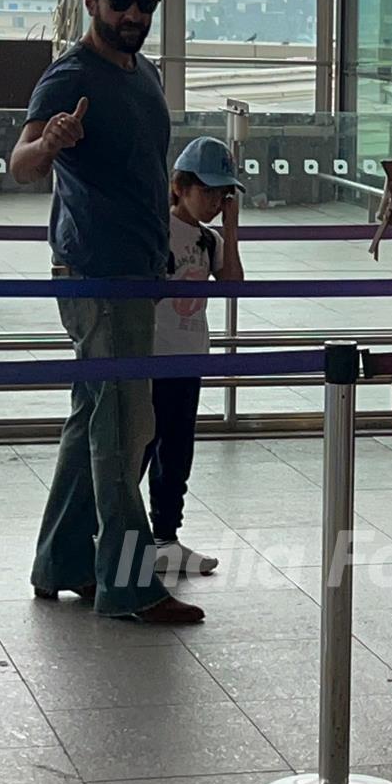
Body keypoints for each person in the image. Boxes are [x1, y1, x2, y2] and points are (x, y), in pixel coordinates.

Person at [10, 0, 203, 624]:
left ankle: (60, 561)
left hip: (134, 271)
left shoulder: (142, 72)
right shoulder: (70, 75)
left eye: (144, 4)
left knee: (97, 415)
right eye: (119, 1)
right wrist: (52, 142)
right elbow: (23, 163)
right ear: (90, 1)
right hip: (99, 274)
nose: (132, 14)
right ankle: (127, 583)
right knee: (125, 427)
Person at [144, 137, 245, 577]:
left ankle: (166, 535)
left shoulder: (210, 239)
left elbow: (232, 284)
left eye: (222, 194)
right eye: (207, 191)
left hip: (188, 358)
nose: (214, 201)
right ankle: (121, 537)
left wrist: (233, 228)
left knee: (177, 449)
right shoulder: (157, 229)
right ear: (180, 187)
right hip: (151, 358)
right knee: (140, 447)